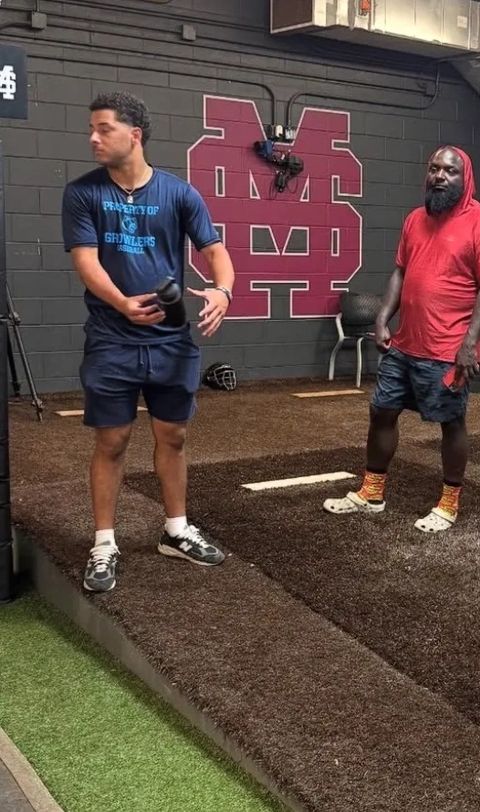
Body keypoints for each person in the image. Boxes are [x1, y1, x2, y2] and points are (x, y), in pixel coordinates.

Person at [62, 92, 235, 592]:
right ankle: (103, 542)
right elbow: (87, 261)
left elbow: (216, 252)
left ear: (134, 135)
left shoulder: (180, 194)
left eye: (104, 129)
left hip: (171, 342)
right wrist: (121, 303)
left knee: (173, 436)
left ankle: (175, 530)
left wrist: (223, 291)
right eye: (91, 129)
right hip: (112, 338)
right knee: (112, 439)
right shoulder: (82, 193)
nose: (93, 138)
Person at [323, 146, 480, 533]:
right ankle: (371, 493)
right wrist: (381, 318)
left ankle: (449, 503)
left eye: (450, 171)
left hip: (448, 348)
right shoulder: (414, 220)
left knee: (451, 422)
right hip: (405, 343)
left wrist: (468, 344)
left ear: (465, 178)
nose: (440, 176)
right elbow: (399, 273)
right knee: (382, 412)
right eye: (434, 169)